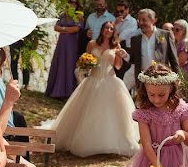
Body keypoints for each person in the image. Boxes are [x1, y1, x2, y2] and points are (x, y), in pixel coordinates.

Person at [52, 21, 140, 157]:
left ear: (113, 31)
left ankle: (110, 141)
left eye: (111, 28)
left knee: (111, 112)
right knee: (87, 111)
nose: (108, 30)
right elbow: (84, 59)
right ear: (102, 29)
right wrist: (85, 63)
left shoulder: (115, 45)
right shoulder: (92, 43)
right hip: (92, 79)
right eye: (106, 28)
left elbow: (117, 66)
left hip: (110, 79)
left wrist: (119, 55)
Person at [118, 8, 180, 93]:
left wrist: (177, 79)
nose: (141, 23)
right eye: (139, 20)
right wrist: (125, 55)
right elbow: (134, 60)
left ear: (153, 20)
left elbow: (173, 60)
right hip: (143, 81)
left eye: (144, 20)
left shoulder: (165, 35)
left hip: (161, 78)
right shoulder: (135, 39)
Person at [45, 0, 83, 99]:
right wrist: (66, 29)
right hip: (61, 44)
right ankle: (54, 90)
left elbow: (76, 29)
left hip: (71, 45)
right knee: (59, 63)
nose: (72, 4)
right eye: (70, 2)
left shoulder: (78, 17)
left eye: (74, 3)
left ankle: (66, 92)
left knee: (68, 65)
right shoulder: (63, 15)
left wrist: (63, 29)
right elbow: (56, 27)